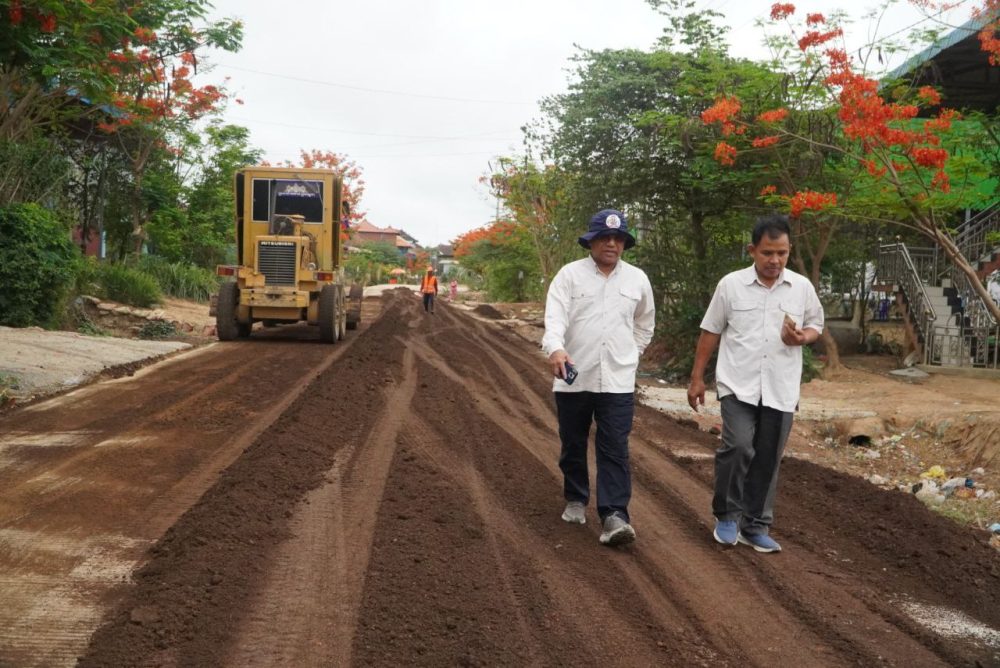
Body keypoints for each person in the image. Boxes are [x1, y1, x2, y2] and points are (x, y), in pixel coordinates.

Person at [687, 214, 824, 553]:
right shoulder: (730, 285)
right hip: (738, 384)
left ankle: (756, 525)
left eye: (782, 253)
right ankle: (727, 516)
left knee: (767, 457)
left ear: (789, 251)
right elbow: (711, 331)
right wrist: (696, 378)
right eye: (767, 253)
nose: (775, 260)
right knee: (736, 447)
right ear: (752, 250)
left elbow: (815, 326)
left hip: (780, 387)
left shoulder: (801, 288)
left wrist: (801, 338)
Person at [542, 209, 655, 546]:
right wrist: (555, 349)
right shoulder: (569, 276)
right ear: (590, 241)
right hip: (574, 376)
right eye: (604, 238)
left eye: (617, 238)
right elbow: (555, 318)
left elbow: (644, 323)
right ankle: (576, 497)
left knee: (615, 448)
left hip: (618, 380)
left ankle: (614, 514)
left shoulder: (637, 279)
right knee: (573, 442)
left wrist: (633, 355)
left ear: (624, 243)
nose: (611, 243)